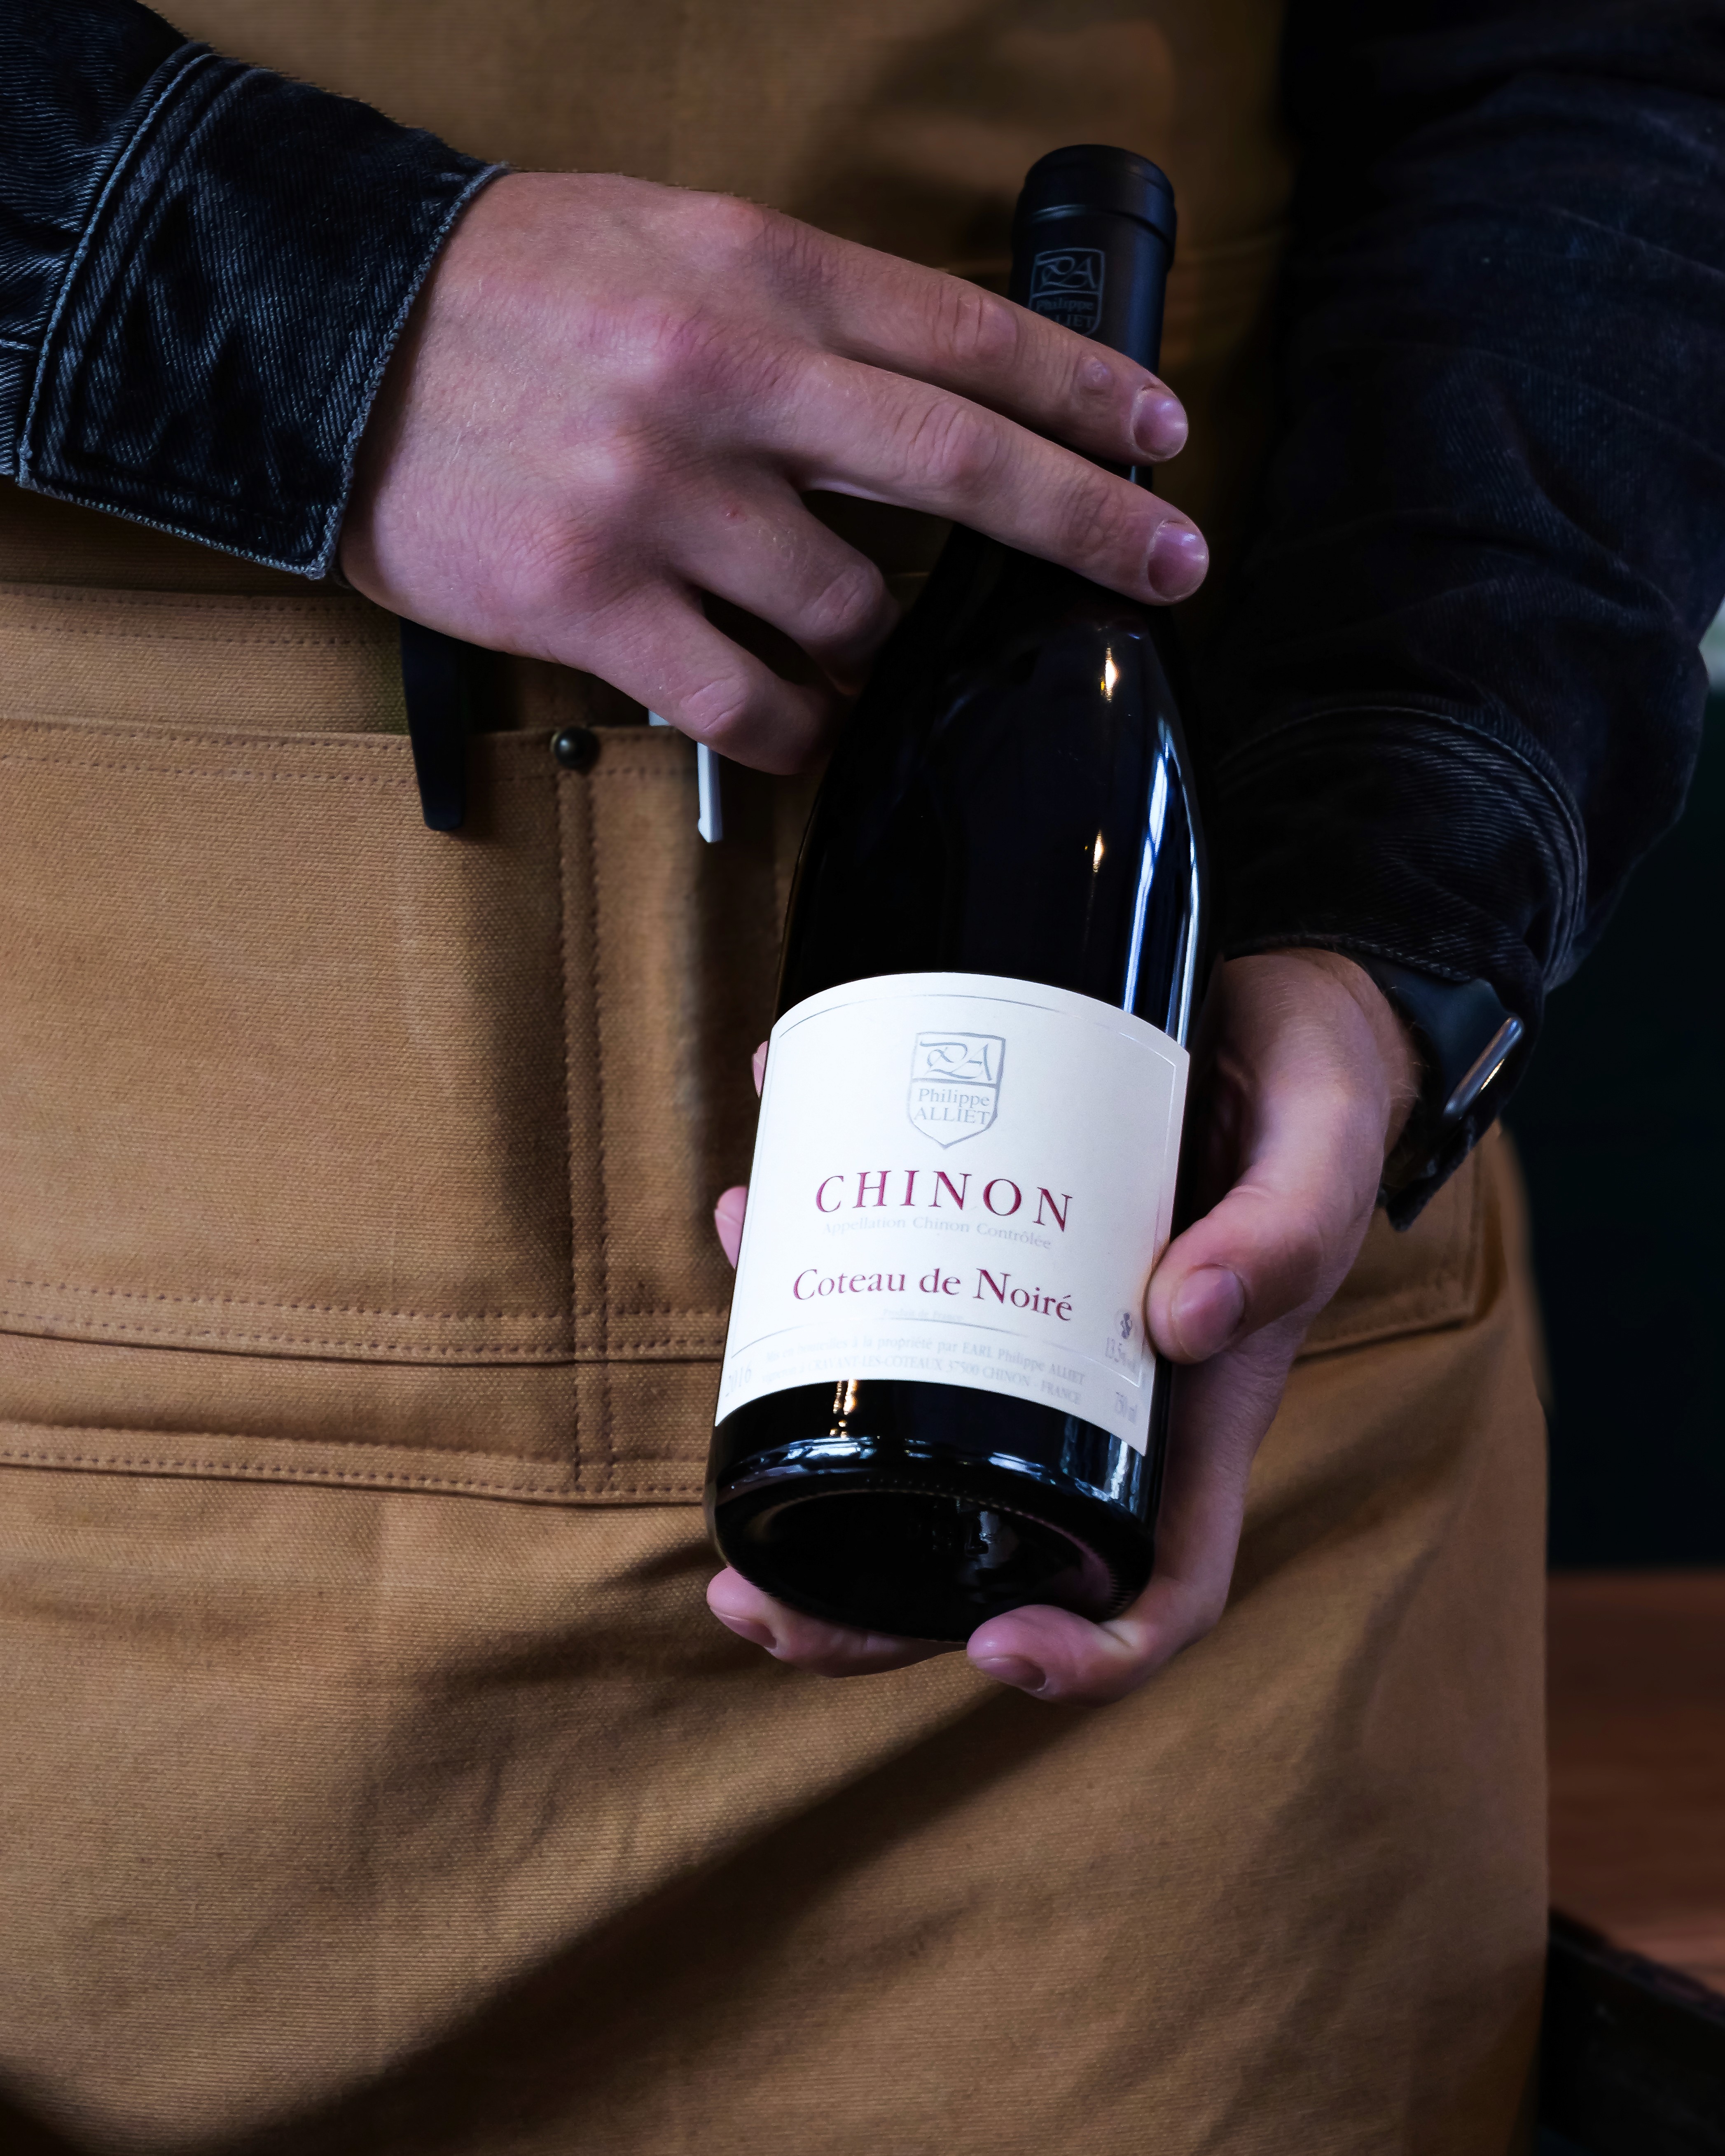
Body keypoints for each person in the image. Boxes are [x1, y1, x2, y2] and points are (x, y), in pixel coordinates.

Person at [0, 0, 1718, 2148]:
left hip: (1190, 1475)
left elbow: (1604, 76)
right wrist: (298, 300)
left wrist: (1399, 894)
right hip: (89, 1498)